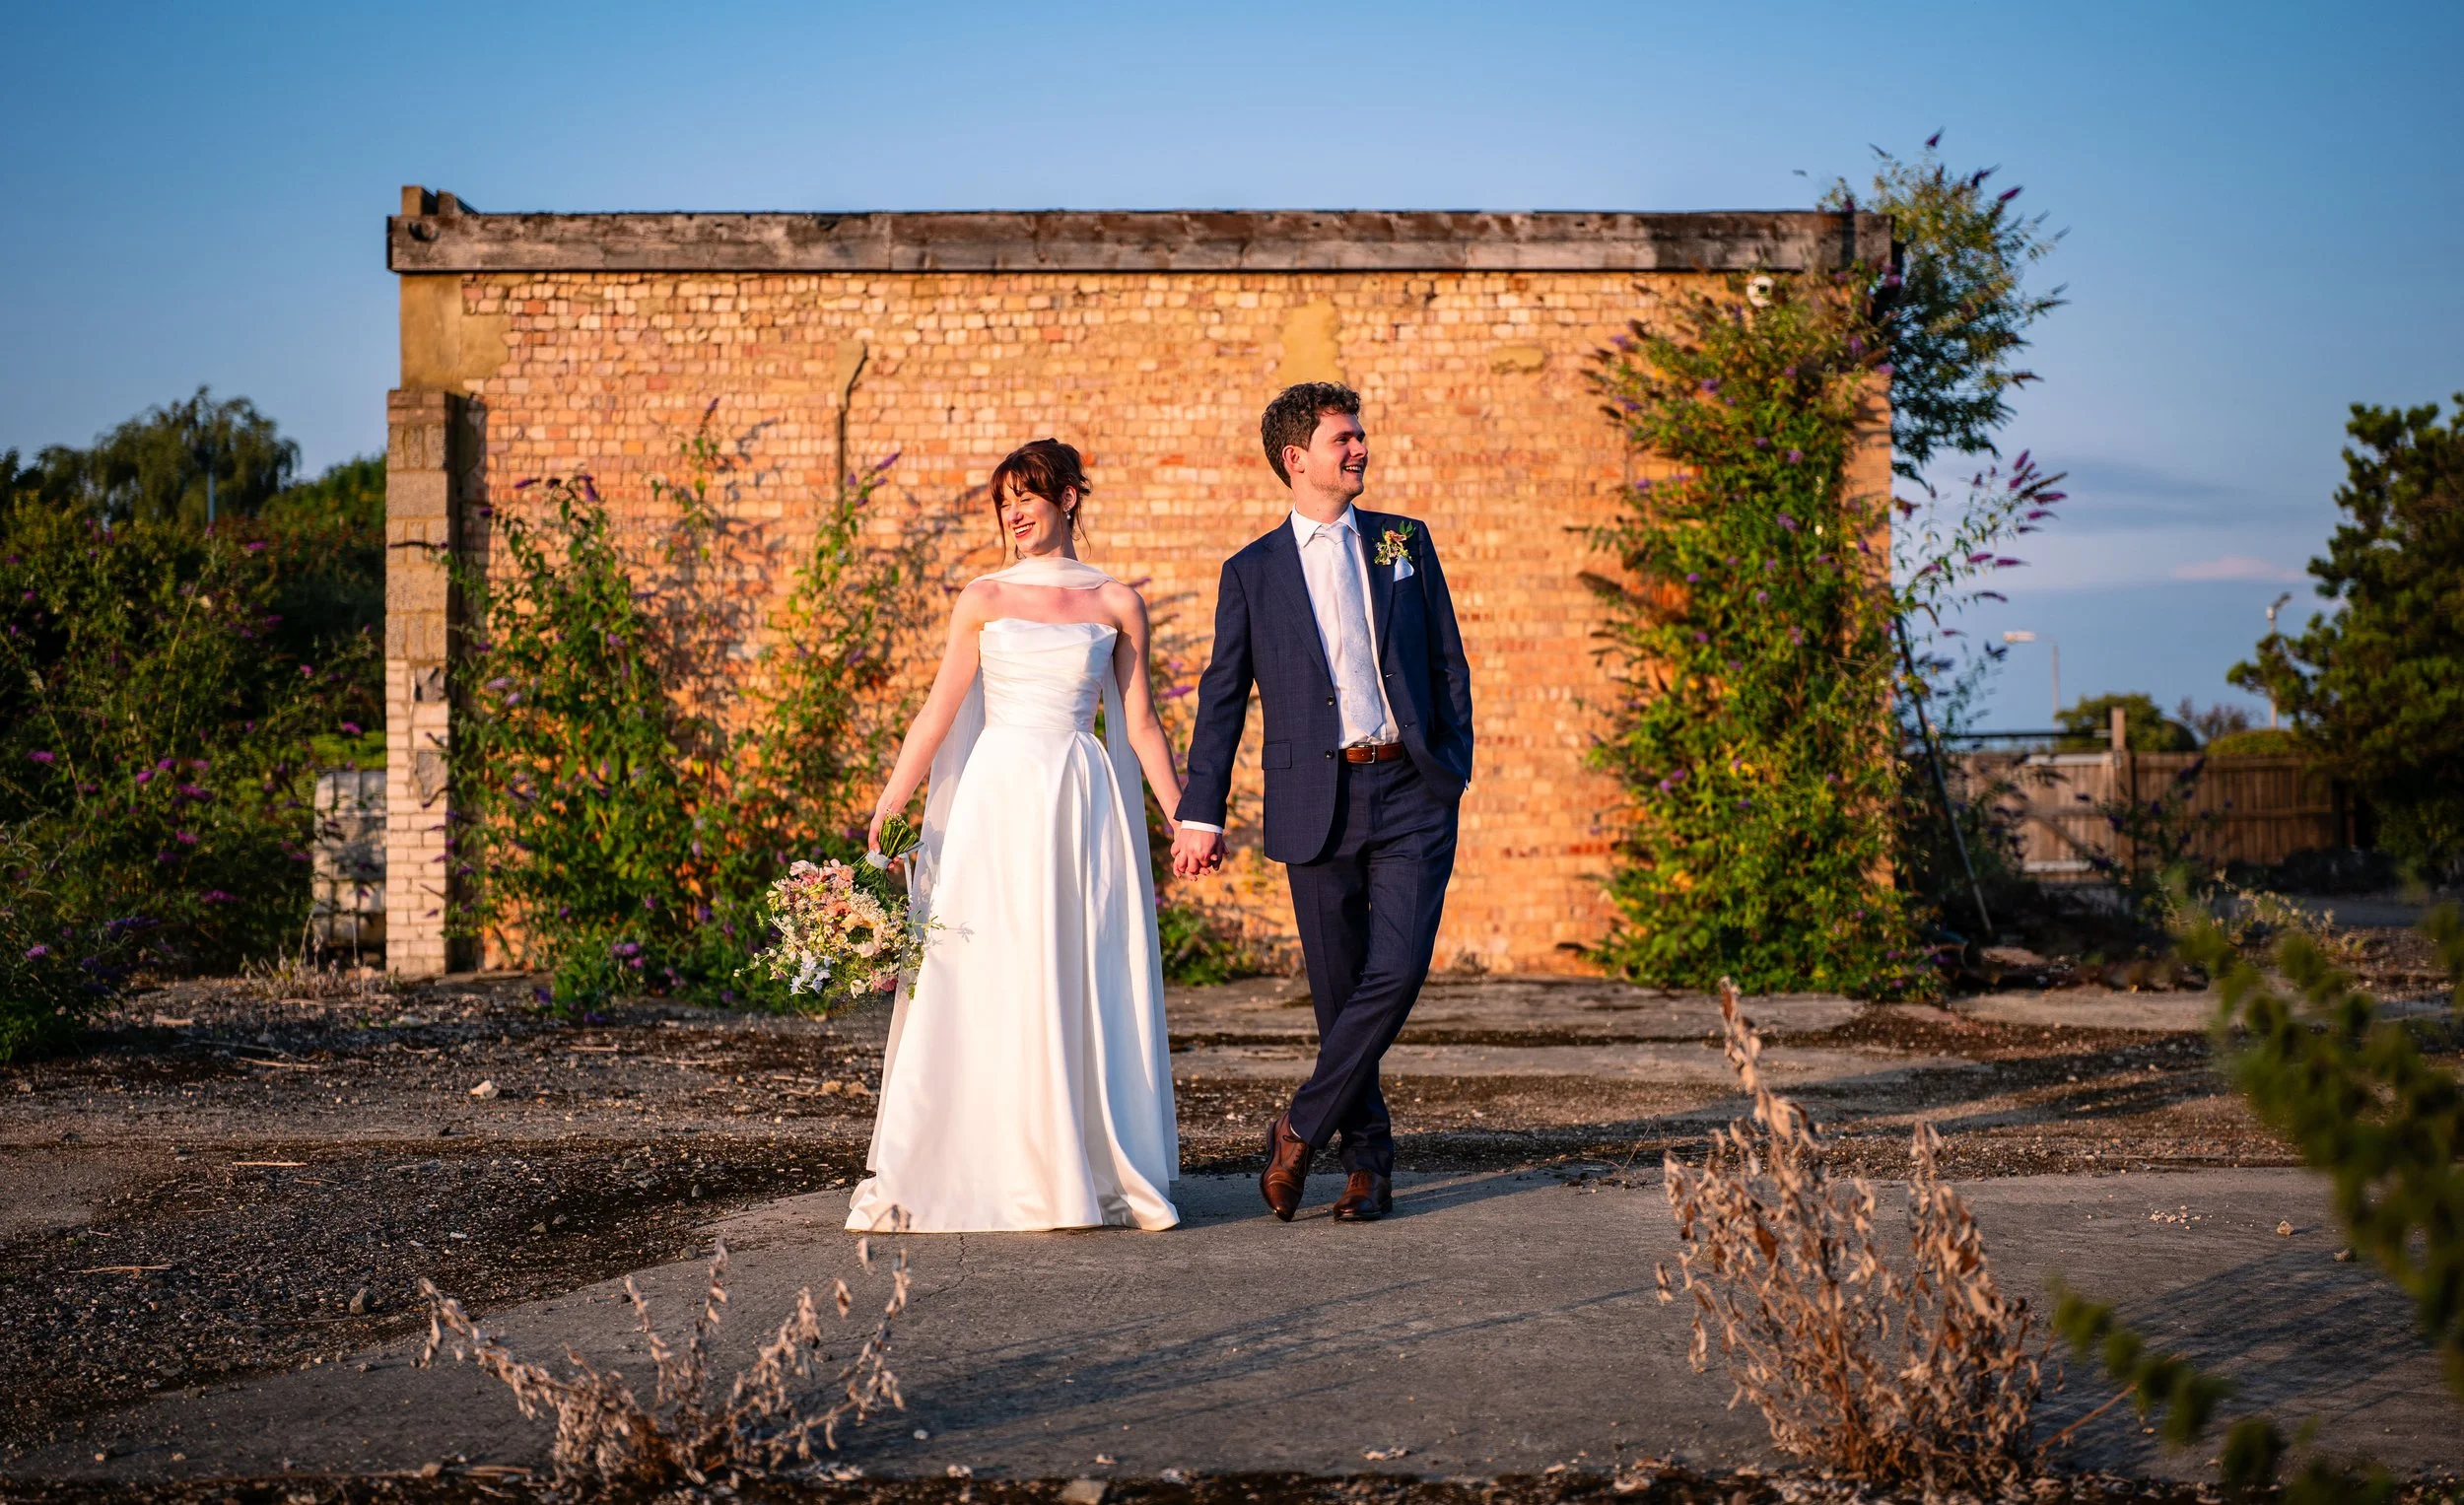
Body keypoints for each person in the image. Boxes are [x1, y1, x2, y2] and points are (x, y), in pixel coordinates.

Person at [846, 440, 1184, 1233]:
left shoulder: (1116, 601)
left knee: (1074, 965)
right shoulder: (984, 596)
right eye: (1004, 500)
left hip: (1078, 799)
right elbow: (937, 712)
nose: (1015, 512)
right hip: (996, 801)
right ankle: (980, 1156)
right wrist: (893, 801)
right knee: (987, 966)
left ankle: (1083, 1161)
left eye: (1028, 494)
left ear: (1069, 497)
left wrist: (1183, 815)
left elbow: (1140, 724)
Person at [1171, 382, 1474, 1223]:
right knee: (1341, 995)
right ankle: (1368, 1167)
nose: (1361, 448)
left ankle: (1299, 1126)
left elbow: (1450, 659)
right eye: (1344, 438)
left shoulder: (1402, 542)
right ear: (1295, 457)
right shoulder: (1253, 571)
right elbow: (1223, 696)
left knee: (1399, 968)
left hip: (1412, 787)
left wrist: (1454, 760)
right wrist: (1203, 809)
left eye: (1362, 435)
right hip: (1316, 798)